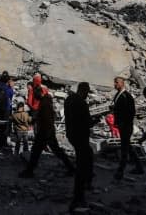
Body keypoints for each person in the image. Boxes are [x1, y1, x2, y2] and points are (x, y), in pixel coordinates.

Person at [20, 86, 74, 178]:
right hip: (48, 131)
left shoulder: (44, 103)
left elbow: (47, 119)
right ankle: (71, 168)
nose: (35, 96)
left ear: (39, 93)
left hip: (45, 132)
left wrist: (43, 130)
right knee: (56, 151)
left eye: (35, 94)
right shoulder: (46, 101)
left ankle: (29, 171)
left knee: (36, 151)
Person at [64, 82, 94, 211]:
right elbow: (87, 122)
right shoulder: (82, 103)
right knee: (83, 164)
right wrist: (94, 121)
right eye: (87, 91)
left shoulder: (69, 99)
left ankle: (86, 183)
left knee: (87, 157)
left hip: (72, 135)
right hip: (81, 136)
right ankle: (78, 197)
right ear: (84, 90)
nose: (87, 94)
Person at [111, 76, 143, 179]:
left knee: (124, 148)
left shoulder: (126, 96)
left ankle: (120, 171)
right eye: (114, 82)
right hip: (122, 125)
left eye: (116, 82)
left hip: (125, 126)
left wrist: (123, 123)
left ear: (122, 83)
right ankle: (139, 167)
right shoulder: (118, 95)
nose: (115, 84)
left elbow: (131, 112)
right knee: (127, 146)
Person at [0, 72, 14, 150]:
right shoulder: (7, 88)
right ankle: (3, 144)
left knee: (1, 126)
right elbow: (10, 95)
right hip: (6, 109)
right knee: (5, 127)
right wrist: (11, 87)